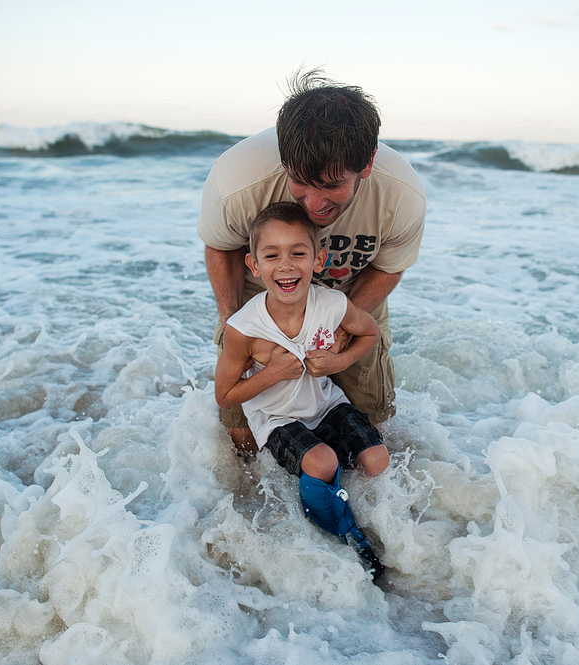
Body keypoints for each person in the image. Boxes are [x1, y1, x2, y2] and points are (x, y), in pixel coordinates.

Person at [198, 68, 426, 453]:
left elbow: (388, 267)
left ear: (367, 163)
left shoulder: (402, 195)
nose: (315, 205)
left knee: (370, 423)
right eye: (301, 181)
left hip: (353, 294)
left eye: (333, 185)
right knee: (243, 433)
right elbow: (220, 247)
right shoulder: (237, 180)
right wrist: (234, 321)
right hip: (263, 294)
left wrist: (341, 324)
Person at [214, 202, 389, 580]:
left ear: (318, 259)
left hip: (326, 405)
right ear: (254, 266)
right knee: (323, 462)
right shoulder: (244, 328)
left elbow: (370, 332)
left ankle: (357, 507)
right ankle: (341, 531)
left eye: (298, 253)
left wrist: (340, 362)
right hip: (278, 418)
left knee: (377, 461)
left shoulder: (333, 304)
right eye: (272, 255)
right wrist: (272, 373)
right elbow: (225, 396)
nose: (287, 265)